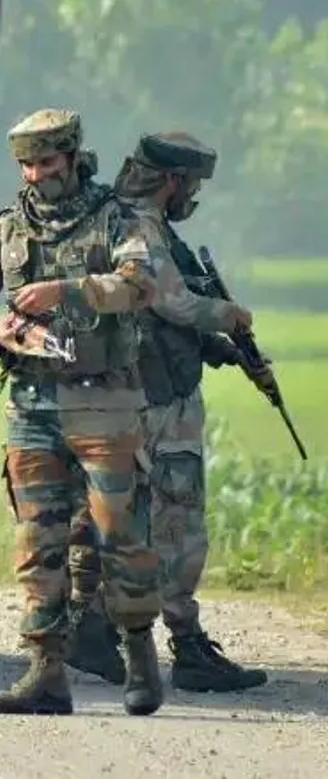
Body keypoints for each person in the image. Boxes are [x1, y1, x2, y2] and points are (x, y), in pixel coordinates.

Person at [0, 108, 164, 717]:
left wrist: (66, 291)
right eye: (27, 165)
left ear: (71, 157)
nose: (37, 174)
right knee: (36, 540)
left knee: (120, 535)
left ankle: (139, 653)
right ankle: (45, 671)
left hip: (105, 404)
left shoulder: (115, 219)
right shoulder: (7, 230)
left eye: (47, 162)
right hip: (31, 404)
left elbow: (138, 285)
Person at [64, 132, 270, 693]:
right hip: (156, 402)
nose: (193, 196)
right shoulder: (141, 227)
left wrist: (217, 349)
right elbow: (171, 302)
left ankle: (95, 627)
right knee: (176, 520)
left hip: (114, 397)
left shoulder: (106, 219)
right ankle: (186, 646)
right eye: (192, 185)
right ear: (172, 181)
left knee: (118, 516)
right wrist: (230, 315)